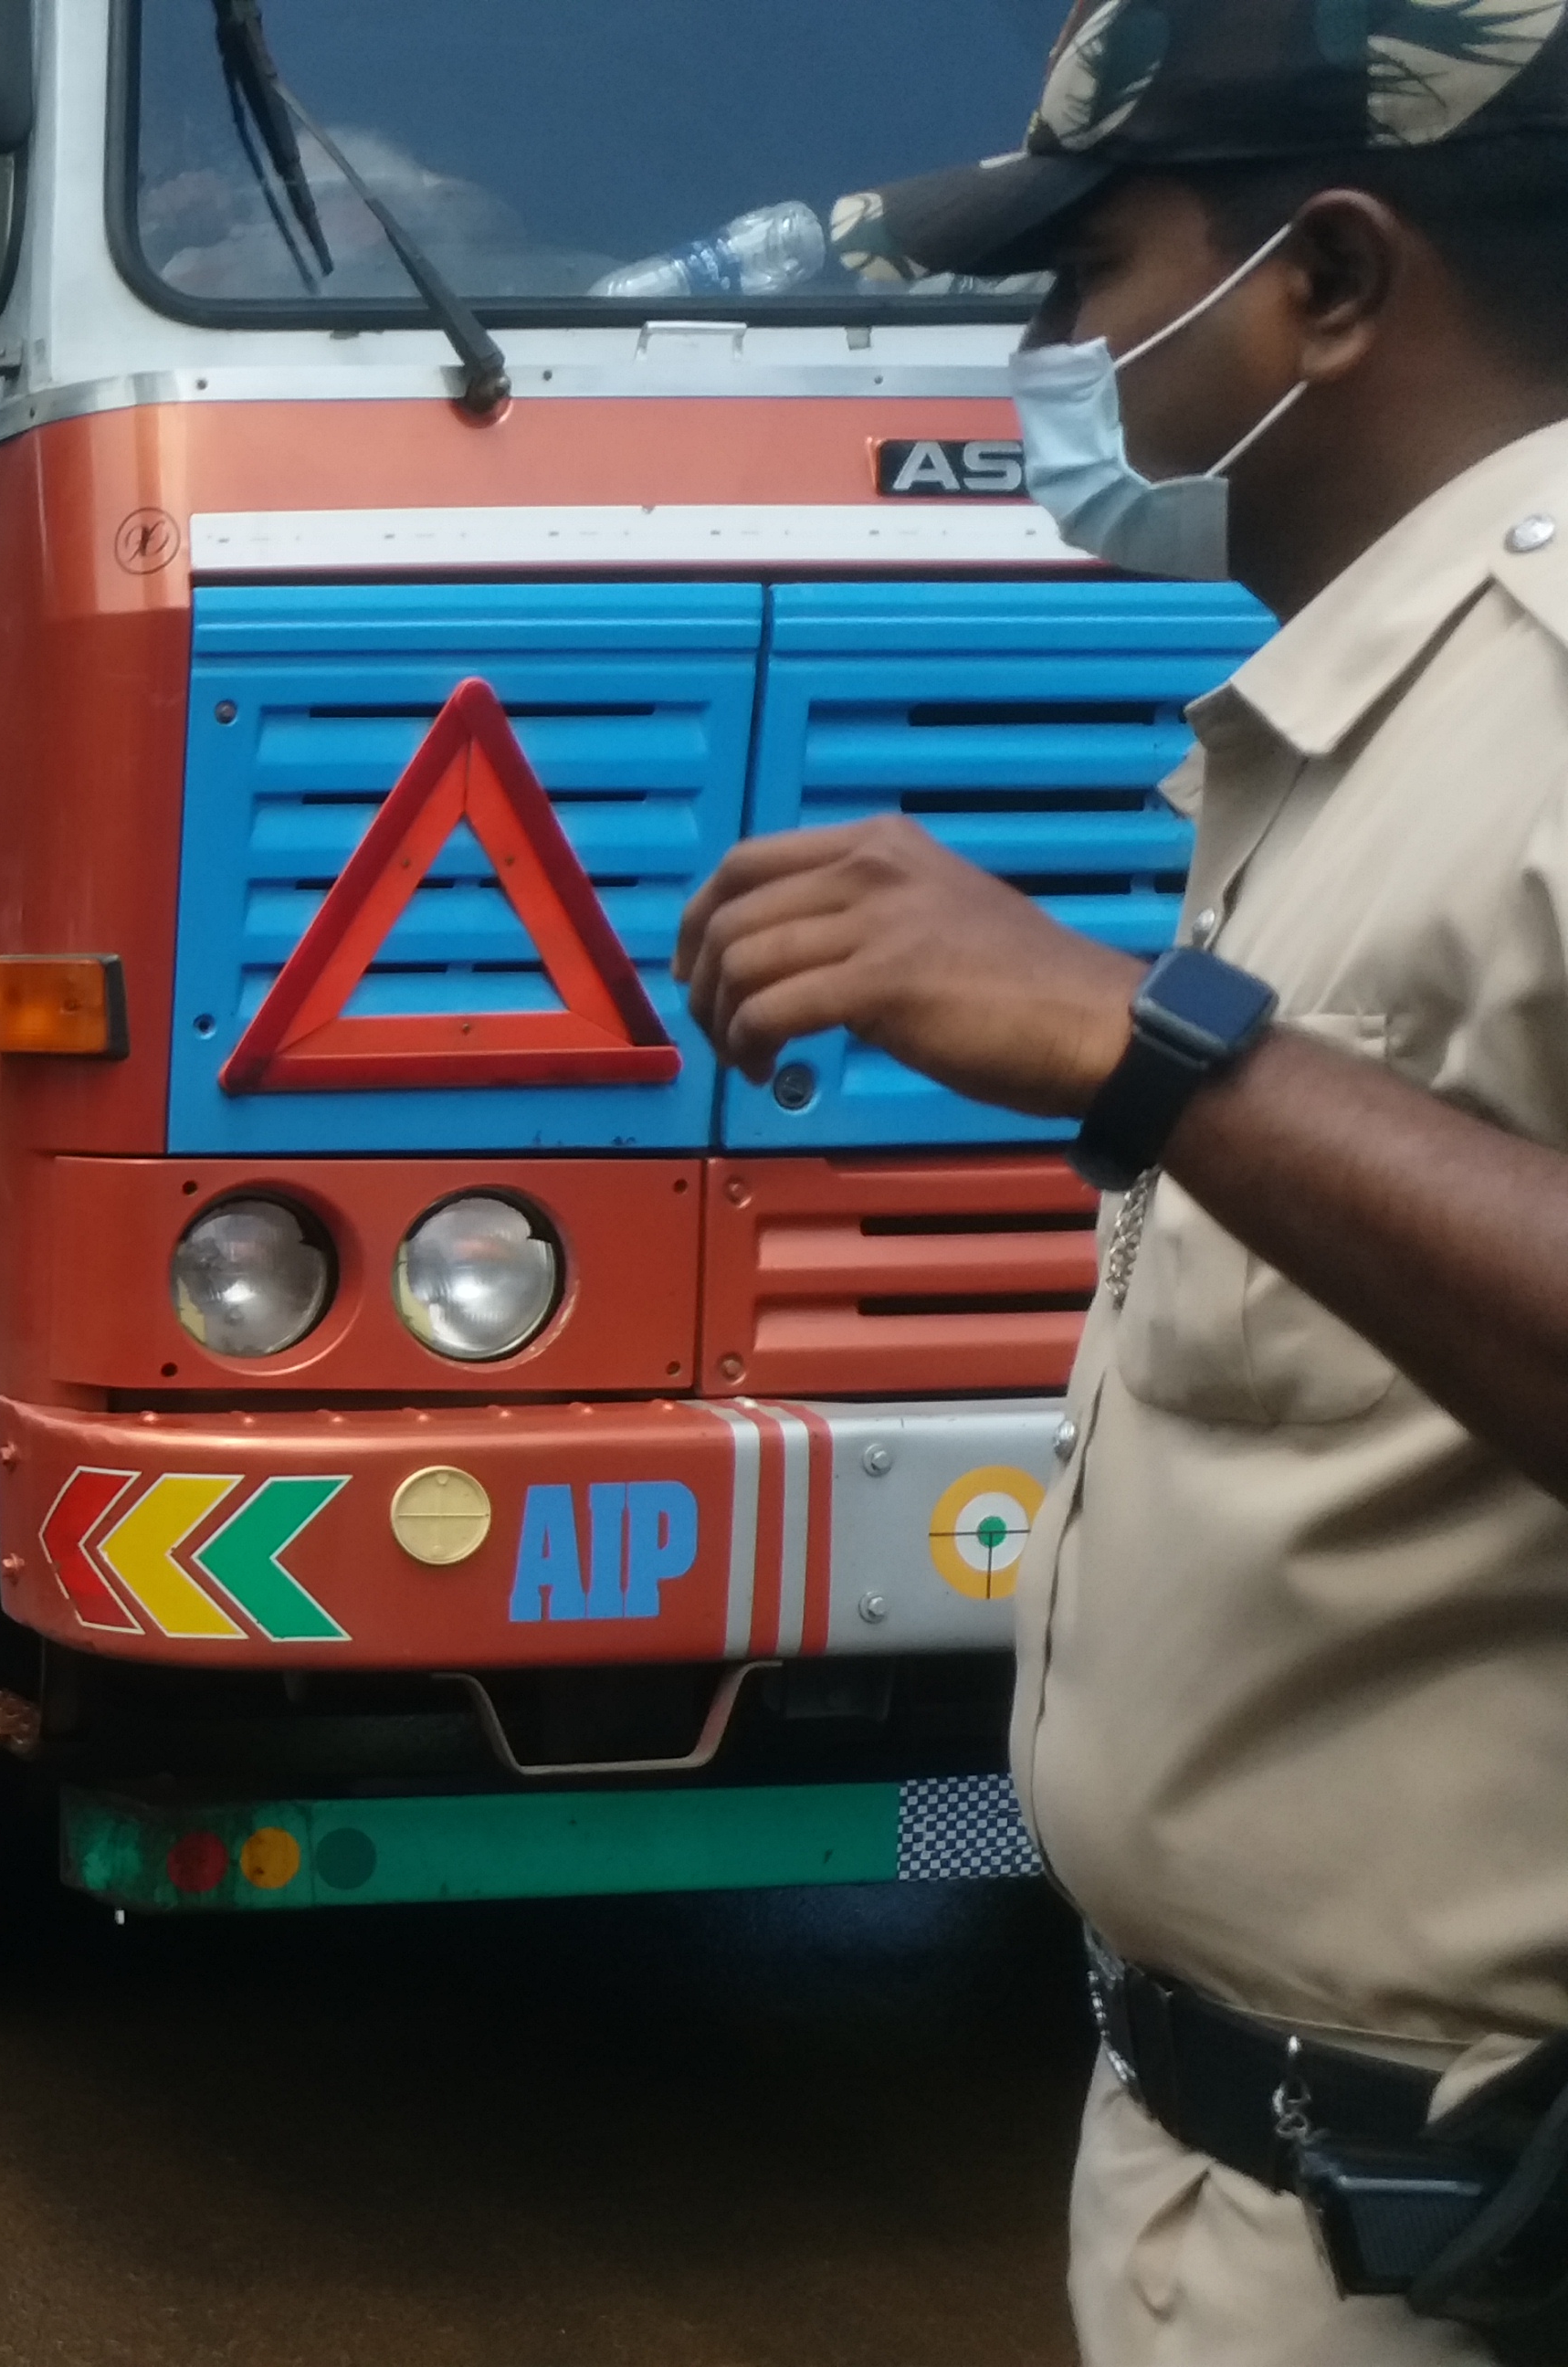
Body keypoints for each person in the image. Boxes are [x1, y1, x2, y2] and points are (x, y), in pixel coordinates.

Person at [681, 16, 1568, 2358]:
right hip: (1246, 2173)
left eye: (1090, 268)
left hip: (1460, 2233)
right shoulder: (1370, 701)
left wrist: (1139, 1047)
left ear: (1332, 280)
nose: (1044, 346)